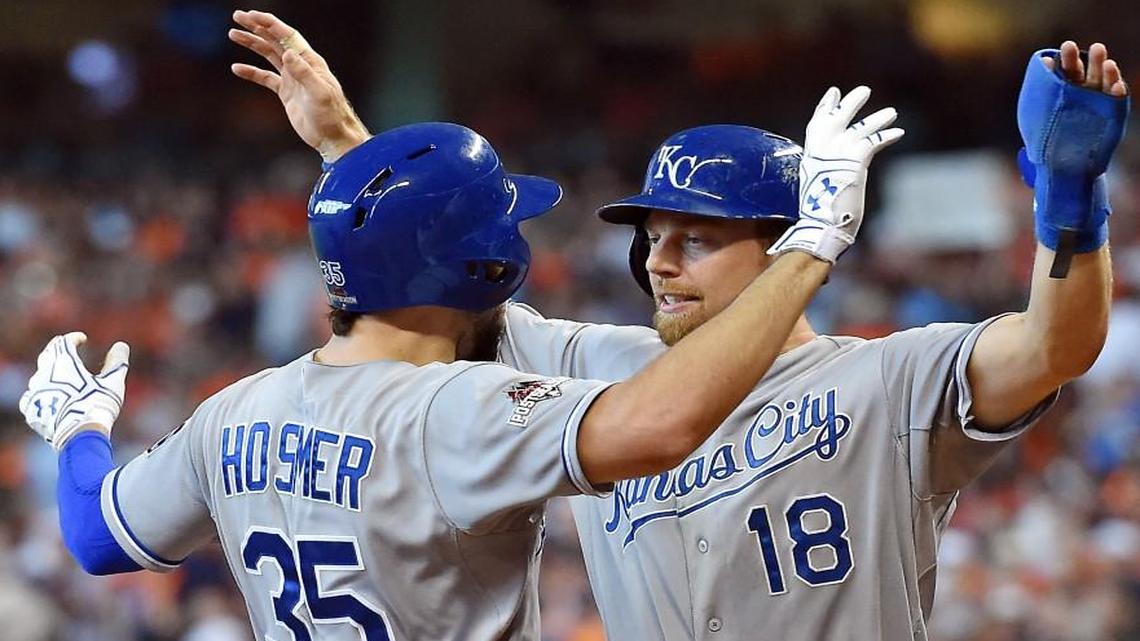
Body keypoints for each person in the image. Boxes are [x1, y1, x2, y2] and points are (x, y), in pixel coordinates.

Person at [241, 9, 1131, 639]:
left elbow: (1056, 343)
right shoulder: (588, 370)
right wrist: (349, 148)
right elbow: (421, 277)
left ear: (786, 247)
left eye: (697, 238)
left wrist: (1071, 204)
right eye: (653, 237)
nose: (659, 262)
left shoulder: (885, 379)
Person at [18, 50, 902, 641]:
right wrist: (814, 239)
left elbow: (98, 535)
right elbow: (664, 422)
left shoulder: (230, 413)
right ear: (485, 268)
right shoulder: (464, 411)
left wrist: (78, 434)